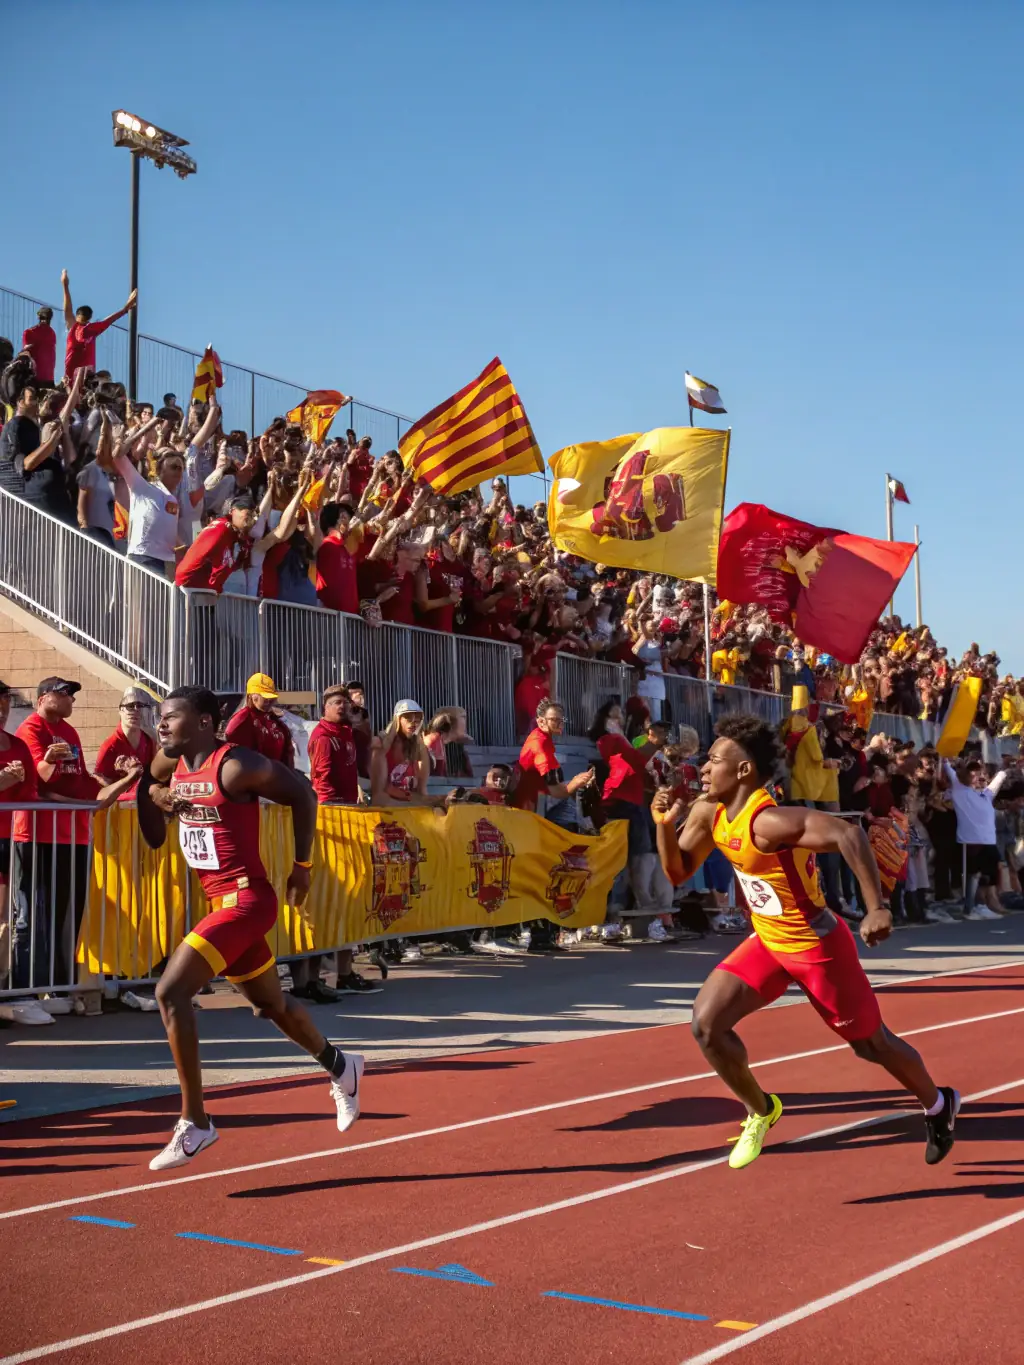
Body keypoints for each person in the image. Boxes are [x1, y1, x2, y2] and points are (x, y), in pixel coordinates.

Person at [653, 714, 959, 1169]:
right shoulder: (706, 812)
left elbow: (847, 832)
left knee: (870, 1045)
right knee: (706, 1024)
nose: (702, 767)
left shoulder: (770, 822)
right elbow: (677, 872)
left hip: (817, 946)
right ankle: (762, 1109)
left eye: (713, 760)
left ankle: (938, 1104)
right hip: (769, 943)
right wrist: (662, 824)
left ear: (742, 771)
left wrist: (876, 907)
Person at [136, 686, 364, 1170]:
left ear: (203, 721)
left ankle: (195, 1122)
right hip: (219, 900)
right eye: (158, 718)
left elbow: (303, 793)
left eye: (170, 718)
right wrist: (157, 796)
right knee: (271, 1005)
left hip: (247, 900)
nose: (160, 726)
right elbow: (149, 808)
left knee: (171, 993)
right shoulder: (168, 761)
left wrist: (302, 865)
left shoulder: (234, 765)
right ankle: (342, 1067)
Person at [14, 678, 141, 993]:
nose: (72, 699)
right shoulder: (31, 729)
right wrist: (48, 761)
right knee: (32, 916)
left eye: (72, 695)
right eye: (64, 694)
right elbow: (35, 782)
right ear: (44, 698)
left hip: (74, 835)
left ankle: (60, 984)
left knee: (67, 915)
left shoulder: (69, 732)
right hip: (37, 835)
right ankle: (26, 988)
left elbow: (82, 782)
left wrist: (124, 780)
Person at [305, 684, 380, 997]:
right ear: (324, 706)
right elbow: (321, 782)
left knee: (351, 895)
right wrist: (335, 814)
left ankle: (345, 973)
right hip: (333, 819)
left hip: (349, 815)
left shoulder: (347, 733)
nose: (343, 707)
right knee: (329, 898)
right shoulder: (324, 736)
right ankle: (312, 978)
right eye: (337, 703)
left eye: (346, 703)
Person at [941, 756, 1008, 920]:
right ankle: (970, 908)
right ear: (965, 775)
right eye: (972, 773)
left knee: (989, 873)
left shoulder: (985, 795)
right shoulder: (959, 790)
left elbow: (997, 782)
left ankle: (982, 905)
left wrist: (1004, 769)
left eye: (978, 773)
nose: (976, 776)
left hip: (988, 841)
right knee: (973, 874)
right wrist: (945, 761)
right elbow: (950, 772)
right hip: (970, 840)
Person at [61, 270, 137, 380]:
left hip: (84, 377)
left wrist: (65, 286)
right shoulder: (83, 328)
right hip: (74, 376)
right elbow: (107, 321)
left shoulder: (85, 328)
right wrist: (65, 286)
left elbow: (68, 309)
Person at [94, 687, 157, 800]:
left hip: (142, 801)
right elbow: (99, 778)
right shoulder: (110, 745)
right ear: (120, 710)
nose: (135, 710)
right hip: (119, 805)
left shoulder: (149, 741)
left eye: (140, 706)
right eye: (130, 706)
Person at [224, 673, 295, 767]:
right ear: (252, 696)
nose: (269, 701)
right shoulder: (241, 721)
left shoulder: (275, 721)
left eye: (272, 698)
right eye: (265, 698)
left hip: (278, 776)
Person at [369, 700, 433, 805]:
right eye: (408, 717)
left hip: (409, 802)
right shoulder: (379, 743)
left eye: (417, 719)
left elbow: (422, 789)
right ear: (397, 720)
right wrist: (390, 736)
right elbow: (379, 791)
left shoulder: (419, 747)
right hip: (389, 803)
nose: (413, 722)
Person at [21, 307, 56, 386]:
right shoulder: (52, 333)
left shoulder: (29, 332)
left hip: (34, 378)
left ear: (38, 317)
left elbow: (26, 352)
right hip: (49, 378)